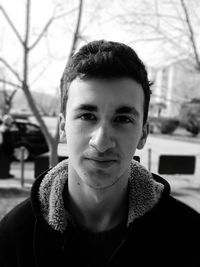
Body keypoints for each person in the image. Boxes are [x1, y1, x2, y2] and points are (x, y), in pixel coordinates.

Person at [0, 40, 200, 267]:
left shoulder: (189, 237)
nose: (102, 142)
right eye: (87, 116)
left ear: (143, 134)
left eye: (123, 119)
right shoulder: (14, 237)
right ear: (63, 127)